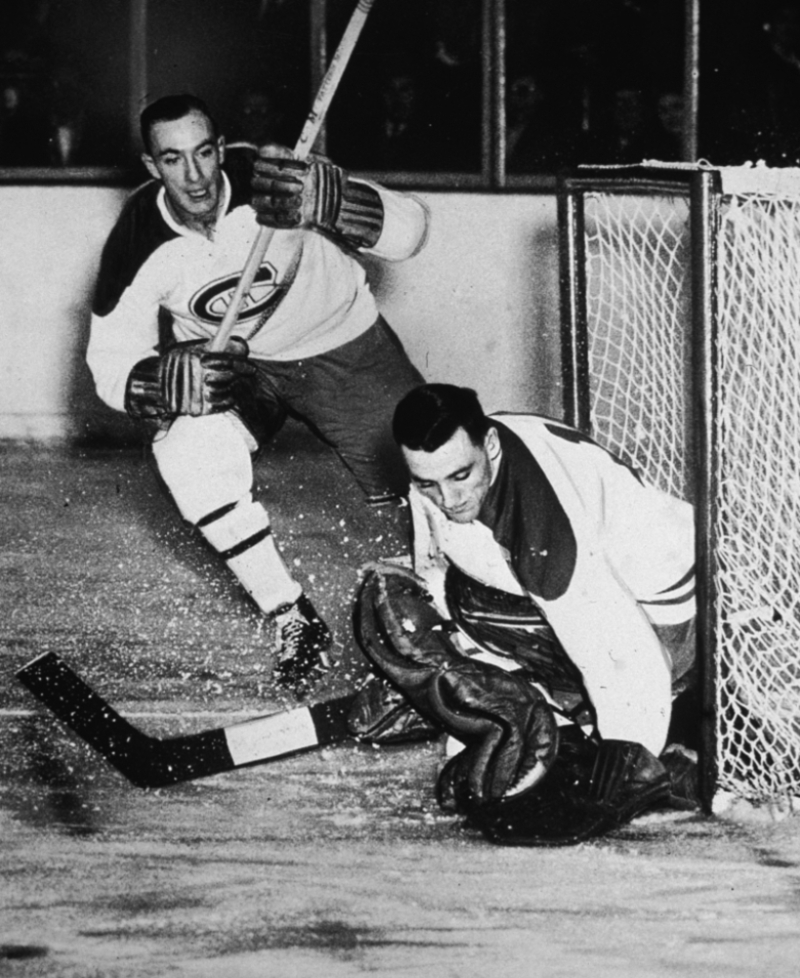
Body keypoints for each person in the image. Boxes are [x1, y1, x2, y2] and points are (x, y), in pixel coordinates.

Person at [86, 94, 429, 697]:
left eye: (203, 153)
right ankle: (291, 617)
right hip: (241, 368)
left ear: (221, 149)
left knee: (426, 484)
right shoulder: (137, 242)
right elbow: (109, 362)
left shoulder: (275, 179)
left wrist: (340, 202)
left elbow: (411, 231)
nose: (193, 176)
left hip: (342, 342)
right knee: (187, 453)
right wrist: (157, 383)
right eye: (173, 160)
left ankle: (459, 611)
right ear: (150, 166)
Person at [349, 384, 698, 844]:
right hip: (606, 592)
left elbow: (623, 657)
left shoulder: (544, 528)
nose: (448, 498)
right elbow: (437, 567)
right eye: (427, 483)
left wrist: (617, 765)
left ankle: (579, 721)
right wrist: (438, 665)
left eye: (459, 477)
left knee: (480, 601)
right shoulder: (462, 454)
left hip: (671, 627)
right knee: (426, 596)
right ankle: (535, 701)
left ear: (489, 447)